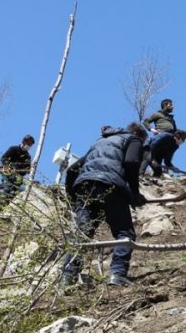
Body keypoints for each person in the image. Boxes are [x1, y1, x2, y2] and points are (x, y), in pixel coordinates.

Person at [61, 123, 147, 287]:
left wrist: (72, 197)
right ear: (140, 136)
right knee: (124, 232)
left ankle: (67, 276)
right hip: (110, 186)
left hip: (84, 187)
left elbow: (72, 170)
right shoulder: (134, 139)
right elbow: (131, 162)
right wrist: (135, 194)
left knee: (82, 235)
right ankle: (117, 274)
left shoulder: (100, 141)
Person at [0, 135, 35, 210]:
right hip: (7, 172)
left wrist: (28, 169)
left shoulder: (27, 156)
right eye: (28, 143)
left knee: (16, 191)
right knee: (8, 188)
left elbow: (27, 170)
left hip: (18, 177)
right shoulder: (13, 149)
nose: (28, 145)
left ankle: (5, 208)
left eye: (30, 144)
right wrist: (9, 166)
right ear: (23, 142)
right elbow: (3, 158)